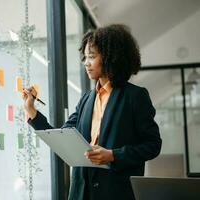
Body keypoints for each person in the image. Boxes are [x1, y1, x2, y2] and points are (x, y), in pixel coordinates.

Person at [22, 24, 162, 200]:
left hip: (116, 193)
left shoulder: (135, 96)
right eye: (85, 57)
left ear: (111, 57)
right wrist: (31, 110)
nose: (86, 63)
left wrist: (113, 155)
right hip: (81, 193)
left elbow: (152, 145)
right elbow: (62, 137)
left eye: (92, 57)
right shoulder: (86, 99)